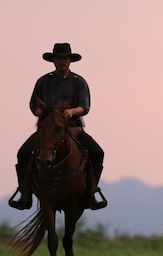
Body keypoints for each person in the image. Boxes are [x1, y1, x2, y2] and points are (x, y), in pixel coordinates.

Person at [8, 43, 107, 210]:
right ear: (53, 61)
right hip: (48, 130)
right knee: (23, 153)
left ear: (70, 61)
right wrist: (46, 113)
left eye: (65, 58)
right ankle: (24, 193)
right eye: (58, 59)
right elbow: (33, 104)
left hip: (73, 127)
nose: (62, 62)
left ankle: (92, 191)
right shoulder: (43, 81)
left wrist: (71, 111)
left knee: (97, 153)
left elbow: (85, 106)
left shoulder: (79, 82)